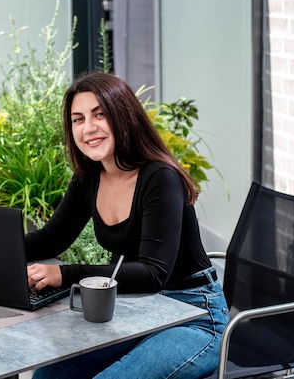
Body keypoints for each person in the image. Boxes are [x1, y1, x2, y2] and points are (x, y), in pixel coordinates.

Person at [25, 72, 228, 379]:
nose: (88, 128)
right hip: (137, 310)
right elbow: (51, 240)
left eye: (99, 114)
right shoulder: (89, 177)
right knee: (48, 377)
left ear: (122, 116)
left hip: (194, 315)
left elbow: (153, 273)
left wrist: (64, 275)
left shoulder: (160, 178)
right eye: (78, 119)